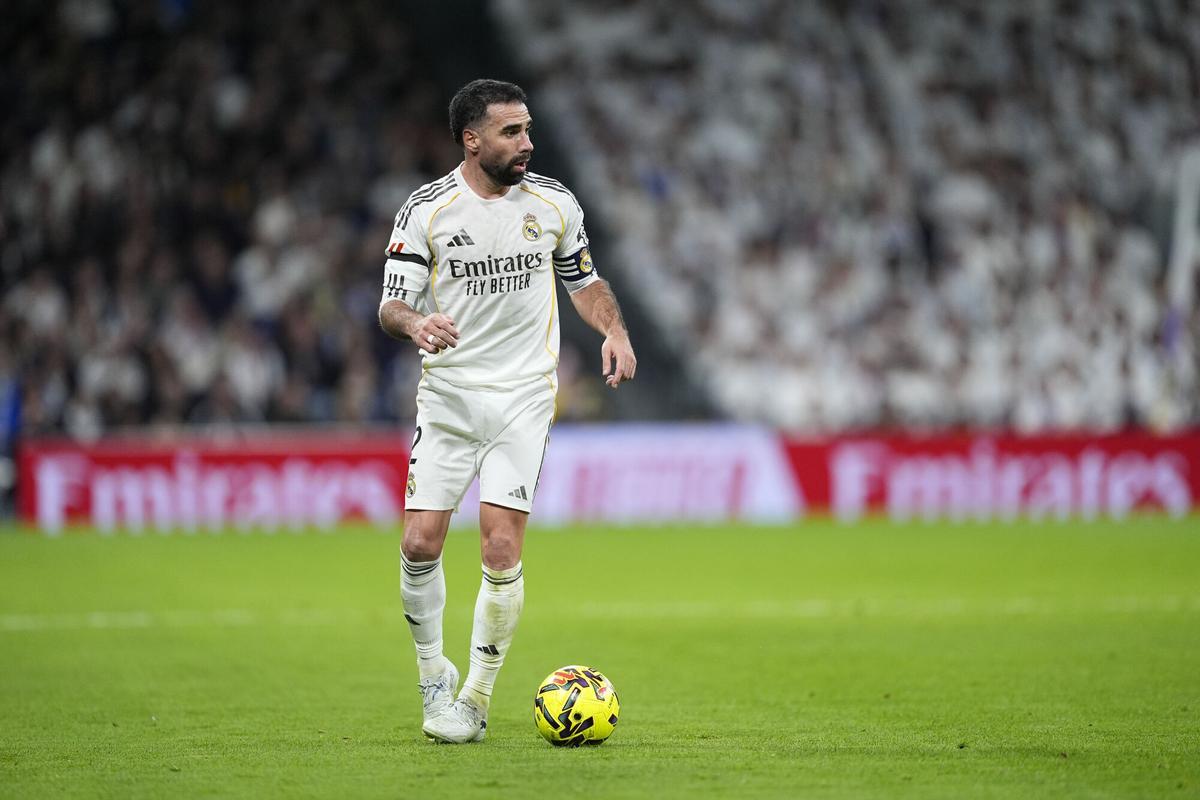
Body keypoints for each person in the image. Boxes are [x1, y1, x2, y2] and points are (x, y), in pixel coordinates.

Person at [378, 79, 637, 743]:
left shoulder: (553, 203)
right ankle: (432, 672)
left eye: (527, 130)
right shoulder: (426, 210)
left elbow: (585, 281)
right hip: (450, 397)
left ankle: (474, 699)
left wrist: (614, 329)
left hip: (524, 397)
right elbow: (392, 304)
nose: (528, 143)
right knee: (418, 542)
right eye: (511, 132)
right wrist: (415, 326)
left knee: (500, 544)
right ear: (472, 139)